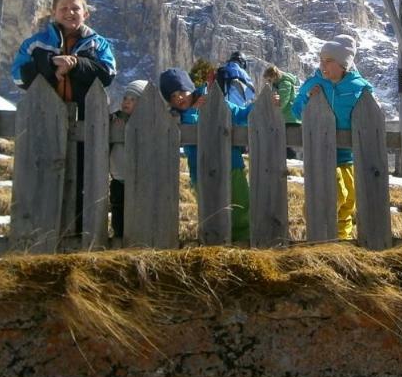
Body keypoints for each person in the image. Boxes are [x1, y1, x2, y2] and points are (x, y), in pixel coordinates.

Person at [11, 0, 116, 234]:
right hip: (45, 121)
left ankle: (80, 234)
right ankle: (40, 235)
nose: (70, 12)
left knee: (84, 180)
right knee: (42, 177)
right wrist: (50, 64)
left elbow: (108, 74)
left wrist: (75, 64)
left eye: (75, 8)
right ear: (53, 13)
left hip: (86, 122)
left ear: (86, 13)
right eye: (64, 8)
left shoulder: (99, 45)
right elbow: (18, 76)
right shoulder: (34, 44)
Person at [291, 34, 373, 240]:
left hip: (348, 155)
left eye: (329, 61)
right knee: (336, 194)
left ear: (344, 64)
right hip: (321, 152)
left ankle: (342, 238)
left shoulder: (359, 86)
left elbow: (370, 111)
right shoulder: (313, 84)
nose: (323, 65)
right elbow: (296, 109)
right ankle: (319, 230)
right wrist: (308, 100)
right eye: (321, 60)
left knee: (349, 201)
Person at [159, 66, 254, 244]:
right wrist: (192, 111)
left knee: (240, 206)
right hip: (201, 171)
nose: (178, 97)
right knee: (211, 211)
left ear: (190, 88)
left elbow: (241, 115)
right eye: (172, 96)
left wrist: (262, 105)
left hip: (230, 166)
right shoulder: (175, 117)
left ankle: (243, 242)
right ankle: (214, 243)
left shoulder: (213, 99)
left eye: (181, 91)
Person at [109, 79, 147, 239]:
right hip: (118, 178)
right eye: (125, 98)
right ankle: (118, 237)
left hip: (139, 179)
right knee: (118, 210)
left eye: (133, 99)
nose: (127, 102)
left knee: (138, 212)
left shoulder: (146, 124)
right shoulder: (115, 119)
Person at [263, 64, 300, 160]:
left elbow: (283, 101)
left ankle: (290, 159)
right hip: (286, 117)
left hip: (289, 118)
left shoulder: (285, 83)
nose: (269, 82)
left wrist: (274, 108)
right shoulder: (278, 84)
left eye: (270, 80)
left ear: (274, 76)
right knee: (282, 141)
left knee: (282, 140)